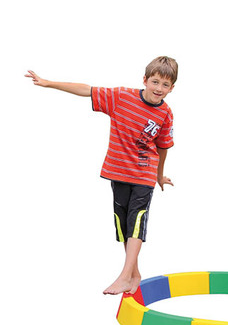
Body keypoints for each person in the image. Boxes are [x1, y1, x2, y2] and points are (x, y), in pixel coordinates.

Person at [25, 56, 178, 295]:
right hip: (118, 171)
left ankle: (124, 276)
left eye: (165, 85)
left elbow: (163, 147)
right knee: (123, 223)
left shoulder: (165, 113)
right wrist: (48, 83)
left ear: (172, 88)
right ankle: (134, 274)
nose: (159, 89)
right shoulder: (122, 97)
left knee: (137, 220)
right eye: (155, 82)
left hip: (144, 173)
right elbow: (87, 90)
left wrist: (159, 175)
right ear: (145, 80)